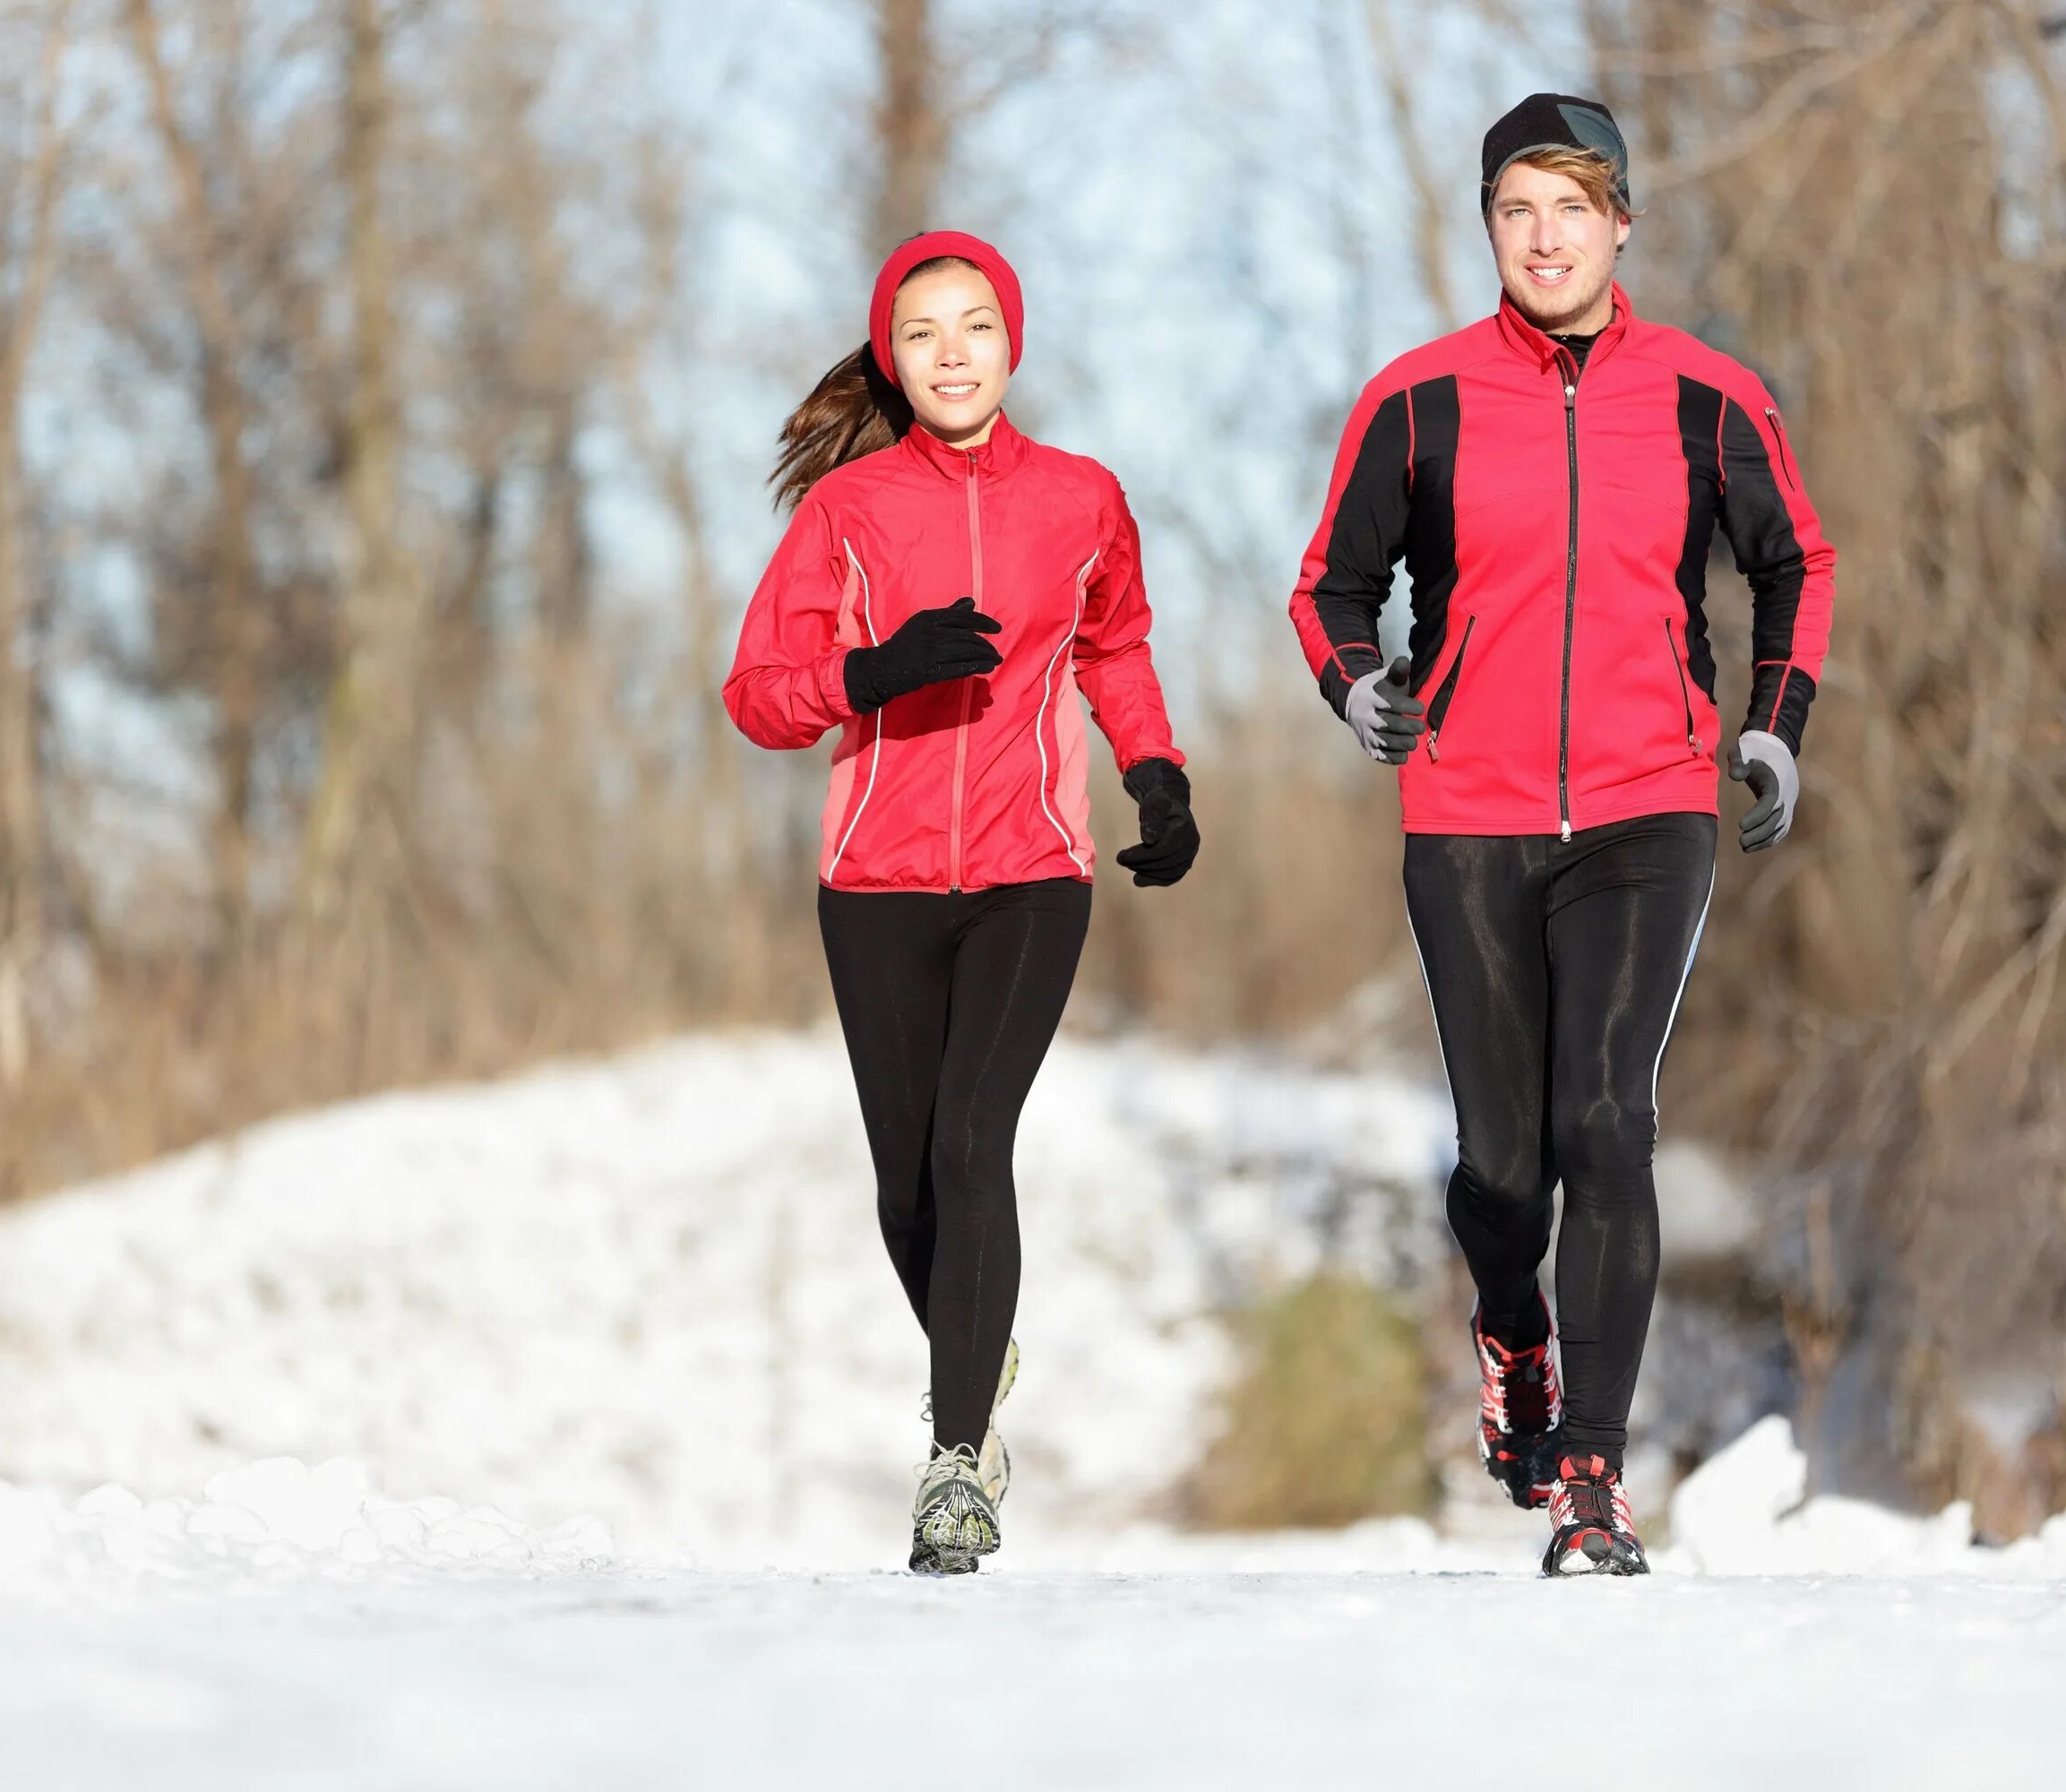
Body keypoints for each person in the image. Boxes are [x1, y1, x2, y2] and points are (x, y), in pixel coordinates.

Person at [1287, 95, 1835, 1576]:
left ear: (1621, 225)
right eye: (1517, 211)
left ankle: (1592, 1473)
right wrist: (1360, 696)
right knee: (1507, 1168)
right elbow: (1328, 590)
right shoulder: (1421, 402)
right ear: (1491, 230)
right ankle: (1511, 1333)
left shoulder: (1706, 395)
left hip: (1649, 800)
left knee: (1609, 1121)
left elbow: (1793, 560)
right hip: (1466, 811)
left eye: (1572, 209)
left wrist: (1771, 724)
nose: (1545, 237)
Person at [726, 230, 1199, 1575]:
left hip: (1031, 873)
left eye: (975, 325)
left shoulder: (1083, 497)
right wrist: (872, 673)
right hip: (873, 885)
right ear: (894, 355)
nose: (951, 351)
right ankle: (978, 1358)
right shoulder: (850, 512)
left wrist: (1156, 776)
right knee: (907, 1188)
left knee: (973, 1140)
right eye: (924, 330)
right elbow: (758, 693)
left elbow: (1117, 644)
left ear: (1013, 342)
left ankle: (955, 1462)